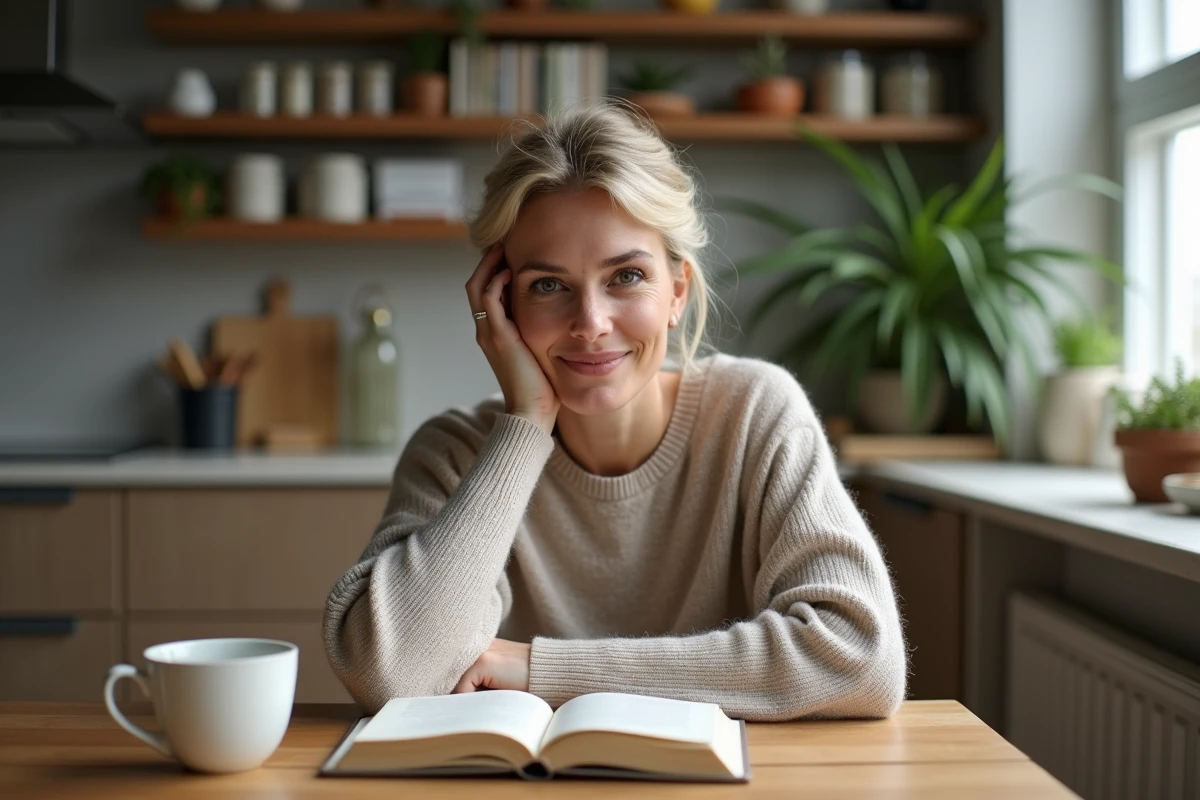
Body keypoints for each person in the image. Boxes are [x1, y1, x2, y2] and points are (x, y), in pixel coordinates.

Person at [323, 101, 906, 722]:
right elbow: (392, 671)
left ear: (676, 292)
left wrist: (543, 671)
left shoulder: (755, 415)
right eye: (548, 285)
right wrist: (525, 426)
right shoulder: (453, 452)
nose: (591, 324)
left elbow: (860, 658)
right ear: (502, 304)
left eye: (626, 276)